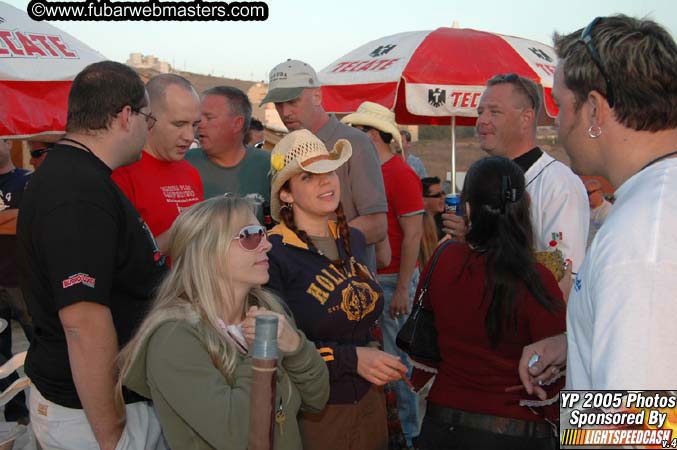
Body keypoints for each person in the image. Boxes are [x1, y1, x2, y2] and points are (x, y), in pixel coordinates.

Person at [519, 15, 677, 396]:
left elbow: (638, 426)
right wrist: (579, 344)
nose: (556, 124)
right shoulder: (653, 205)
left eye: (559, 105)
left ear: (593, 109)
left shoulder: (642, 241)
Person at [16, 61, 168, 450]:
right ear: (125, 115)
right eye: (149, 118)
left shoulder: (79, 176)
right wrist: (114, 434)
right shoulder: (77, 190)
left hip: (95, 405)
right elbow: (83, 323)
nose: (148, 130)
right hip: (92, 415)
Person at [118, 195, 329, 449]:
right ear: (208, 251)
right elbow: (239, 436)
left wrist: (296, 347)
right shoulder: (173, 338)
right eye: (250, 235)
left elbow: (317, 398)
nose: (267, 245)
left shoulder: (267, 311)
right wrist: (263, 352)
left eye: (263, 232)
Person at [265, 130, 407, 450]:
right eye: (308, 176)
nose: (325, 181)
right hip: (315, 411)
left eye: (328, 170)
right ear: (285, 194)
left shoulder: (352, 240)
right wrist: (352, 359)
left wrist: (368, 357)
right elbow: (276, 349)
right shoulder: (273, 254)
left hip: (371, 399)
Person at [413, 156, 565, 450]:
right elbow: (555, 371)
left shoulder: (444, 259)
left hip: (443, 425)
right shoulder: (537, 278)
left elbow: (427, 341)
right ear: (526, 205)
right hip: (514, 430)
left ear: (467, 208)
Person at [444, 73, 589, 274]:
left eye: (494, 112)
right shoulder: (482, 178)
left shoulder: (559, 184)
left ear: (526, 118)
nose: (482, 121)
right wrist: (467, 239)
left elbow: (563, 274)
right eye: (480, 112)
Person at [341, 102, 424, 448]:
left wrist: (404, 288)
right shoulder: (378, 172)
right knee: (386, 363)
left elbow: (414, 235)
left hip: (393, 281)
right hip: (378, 281)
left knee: (395, 364)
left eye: (357, 133)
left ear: (371, 135)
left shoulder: (401, 173)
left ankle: (407, 436)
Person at [260, 59, 387, 271]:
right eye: (279, 104)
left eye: (293, 101)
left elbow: (376, 225)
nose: (285, 112)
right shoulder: (285, 148)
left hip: (348, 282)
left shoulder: (355, 143)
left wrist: (312, 250)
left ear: (317, 96)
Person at [112, 74, 204, 254]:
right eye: (179, 124)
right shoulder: (121, 174)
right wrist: (181, 231)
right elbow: (121, 260)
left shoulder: (190, 171)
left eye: (194, 125)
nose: (189, 136)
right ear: (149, 118)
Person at [186, 86, 271, 225]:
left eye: (209, 118)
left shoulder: (268, 167)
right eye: (198, 118)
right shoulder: (183, 164)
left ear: (237, 124)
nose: (199, 124)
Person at [0, 137, 31, 424]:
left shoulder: (27, 180)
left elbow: (29, 220)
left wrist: (11, 219)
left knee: (41, 342)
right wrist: (11, 218)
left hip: (23, 280)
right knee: (0, 355)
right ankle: (16, 412)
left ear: (9, 143)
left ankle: (48, 398)